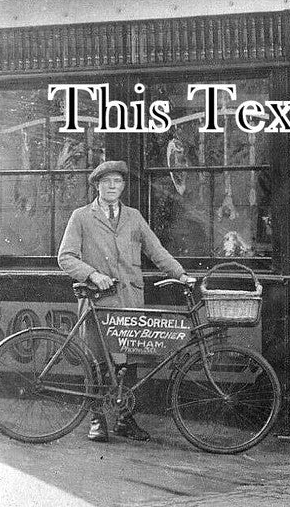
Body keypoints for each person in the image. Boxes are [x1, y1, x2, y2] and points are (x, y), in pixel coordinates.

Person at [58, 160, 195, 443]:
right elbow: (66, 257)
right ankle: (96, 419)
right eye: (106, 181)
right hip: (98, 301)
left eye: (117, 182)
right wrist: (93, 274)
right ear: (96, 185)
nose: (111, 186)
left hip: (130, 298)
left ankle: (124, 419)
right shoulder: (81, 217)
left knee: (129, 361)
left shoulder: (133, 216)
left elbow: (156, 250)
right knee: (96, 360)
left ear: (122, 186)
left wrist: (181, 275)